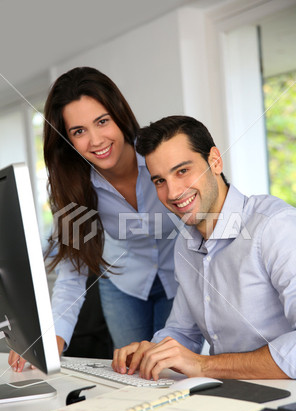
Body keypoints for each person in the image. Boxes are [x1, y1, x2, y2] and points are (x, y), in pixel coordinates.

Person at [8, 67, 178, 372]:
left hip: (180, 279)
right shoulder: (74, 187)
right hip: (123, 285)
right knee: (133, 373)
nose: (96, 140)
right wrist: (50, 339)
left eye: (102, 122)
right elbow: (72, 274)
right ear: (68, 140)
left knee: (170, 371)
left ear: (119, 115)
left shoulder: (158, 155)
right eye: (79, 131)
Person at [112, 115, 296, 380]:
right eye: (159, 181)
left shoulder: (275, 227)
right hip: (229, 397)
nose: (174, 192)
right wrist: (151, 352)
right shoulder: (185, 244)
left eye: (182, 171)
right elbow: (183, 332)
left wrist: (204, 365)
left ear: (215, 161)